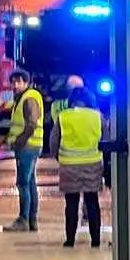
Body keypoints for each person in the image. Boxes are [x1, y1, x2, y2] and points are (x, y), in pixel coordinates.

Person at [53, 87, 104, 248]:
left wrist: (59, 157)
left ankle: (70, 240)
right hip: (92, 163)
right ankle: (95, 240)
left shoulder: (63, 116)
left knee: (71, 203)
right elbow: (106, 136)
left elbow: (54, 141)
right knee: (92, 201)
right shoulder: (98, 116)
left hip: (69, 165)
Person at [3, 70, 44, 232]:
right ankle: (31, 220)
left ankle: (23, 219)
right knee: (30, 182)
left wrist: (19, 141)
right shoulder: (24, 98)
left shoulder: (29, 98)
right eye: (13, 82)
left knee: (23, 183)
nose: (15, 85)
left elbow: (31, 123)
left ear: (26, 82)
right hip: (31, 145)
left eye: (18, 82)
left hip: (27, 146)